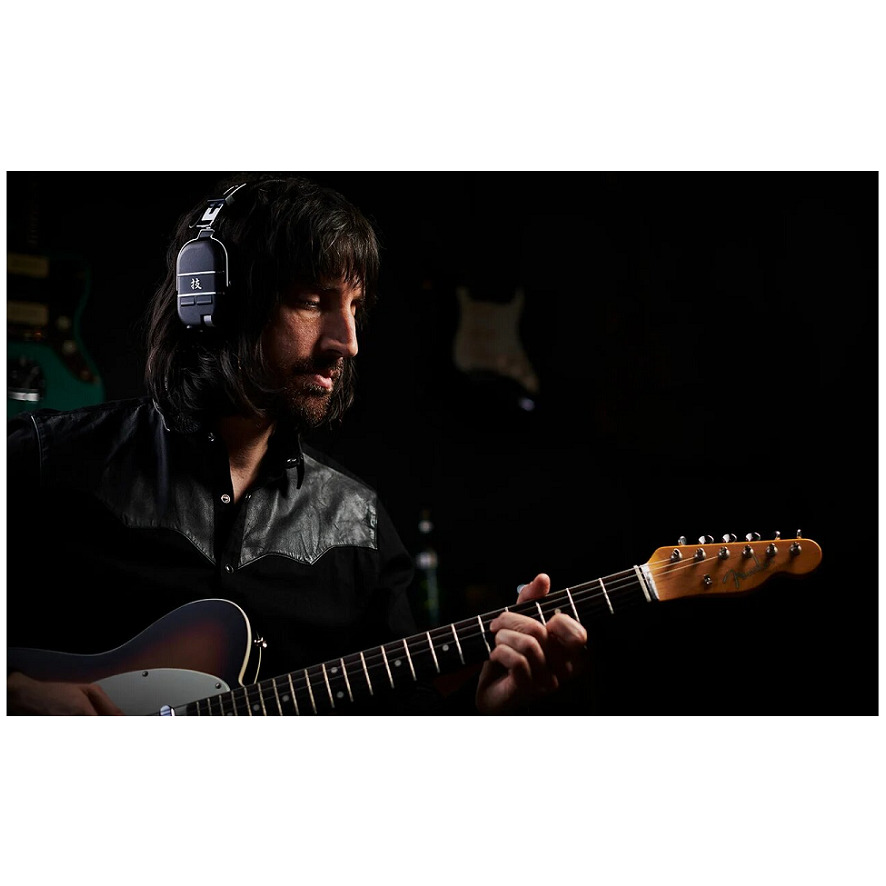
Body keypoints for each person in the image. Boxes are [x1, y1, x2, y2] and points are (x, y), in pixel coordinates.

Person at [6, 173, 588, 716]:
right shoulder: (44, 465)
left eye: (354, 307)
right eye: (313, 302)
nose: (348, 342)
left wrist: (485, 707)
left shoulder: (359, 527)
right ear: (209, 300)